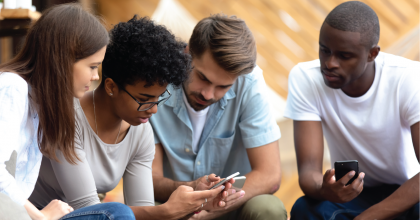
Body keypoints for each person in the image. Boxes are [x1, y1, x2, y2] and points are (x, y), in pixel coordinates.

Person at [30, 16, 234, 220]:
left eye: (158, 98)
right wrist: (166, 210)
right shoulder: (66, 117)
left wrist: (192, 204)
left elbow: (142, 207)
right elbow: (90, 210)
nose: (153, 110)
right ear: (111, 87)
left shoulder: (140, 131)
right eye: (144, 99)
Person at [0, 3, 135, 220]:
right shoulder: (12, 88)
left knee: (116, 212)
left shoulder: (42, 107)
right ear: (63, 59)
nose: (95, 77)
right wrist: (41, 216)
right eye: (92, 66)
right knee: (114, 214)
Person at [285, 2, 420, 220]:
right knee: (304, 208)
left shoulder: (408, 79)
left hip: (410, 191)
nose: (330, 63)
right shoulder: (306, 79)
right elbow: (309, 170)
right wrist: (325, 189)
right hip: (355, 195)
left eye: (344, 56)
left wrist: (368, 217)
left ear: (372, 54)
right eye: (324, 50)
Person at [150, 14, 287, 220]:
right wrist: (193, 191)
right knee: (143, 206)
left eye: (223, 86)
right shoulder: (156, 83)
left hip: (231, 209)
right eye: (203, 78)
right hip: (172, 206)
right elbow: (149, 179)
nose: (208, 94)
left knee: (268, 209)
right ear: (187, 54)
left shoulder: (249, 83)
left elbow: (269, 175)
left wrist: (210, 210)